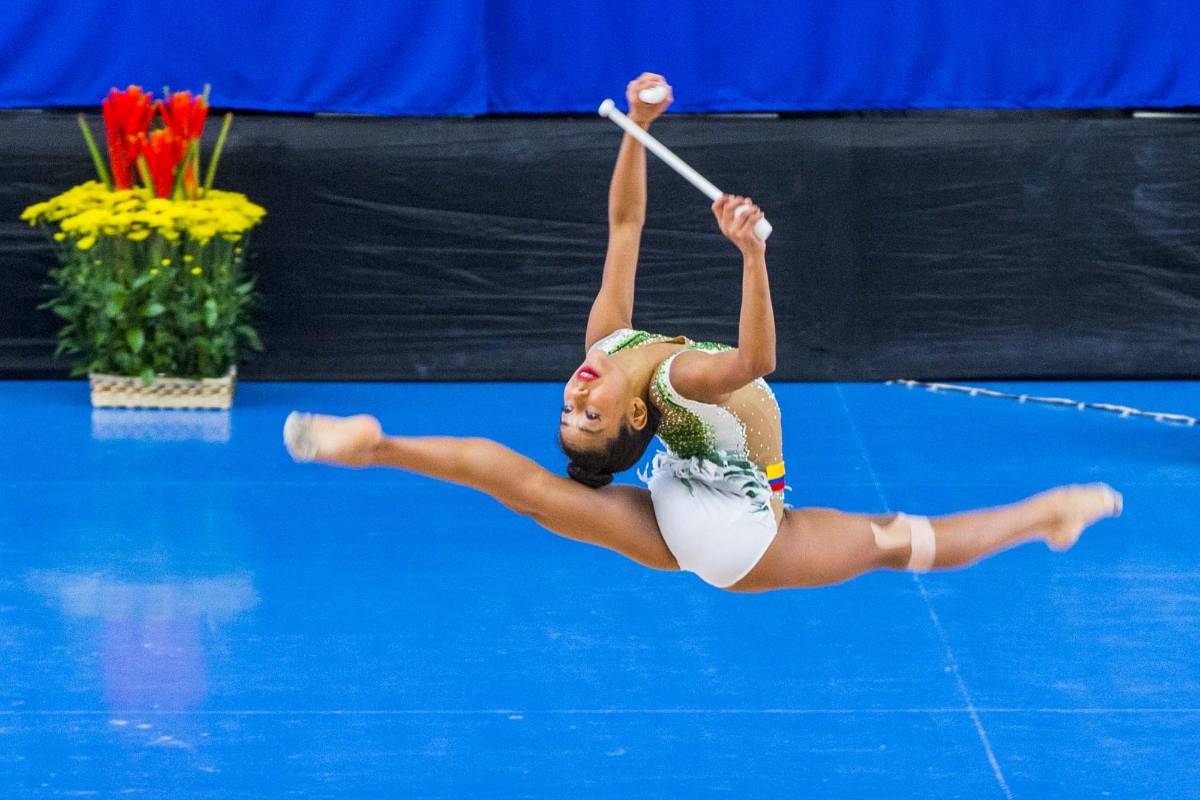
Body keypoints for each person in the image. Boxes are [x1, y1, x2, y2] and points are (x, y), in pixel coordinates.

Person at [283, 73, 1122, 592]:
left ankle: (376, 446)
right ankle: (1043, 512)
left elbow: (623, 226)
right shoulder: (674, 381)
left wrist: (638, 128)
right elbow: (759, 360)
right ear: (634, 417)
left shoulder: (606, 347)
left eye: (569, 408)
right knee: (897, 542)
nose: (576, 393)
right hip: (736, 537)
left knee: (536, 495)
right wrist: (752, 256)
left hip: (681, 497)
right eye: (589, 415)